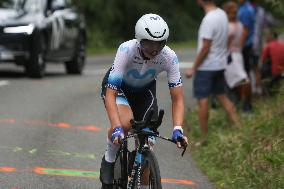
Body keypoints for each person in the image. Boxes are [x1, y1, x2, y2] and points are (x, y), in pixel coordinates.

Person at [99, 13, 188, 189]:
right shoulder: (126, 49)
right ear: (139, 40)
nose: (155, 50)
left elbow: (177, 98)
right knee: (124, 123)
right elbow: (111, 94)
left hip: (144, 93)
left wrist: (178, 128)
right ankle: (109, 159)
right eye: (149, 43)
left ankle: (142, 183)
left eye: (160, 44)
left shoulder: (169, 57)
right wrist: (116, 127)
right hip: (119, 90)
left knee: (147, 142)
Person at [186, 0, 240, 146]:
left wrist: (193, 68)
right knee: (222, 96)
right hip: (220, 64)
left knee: (203, 101)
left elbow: (205, 47)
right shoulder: (222, 13)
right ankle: (239, 128)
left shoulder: (208, 20)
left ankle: (204, 138)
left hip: (207, 67)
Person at [223, 1, 249, 102]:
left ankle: (243, 102)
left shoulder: (228, 26)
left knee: (241, 79)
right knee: (238, 79)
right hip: (238, 53)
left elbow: (226, 43)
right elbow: (242, 40)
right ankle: (242, 101)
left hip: (230, 55)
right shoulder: (240, 25)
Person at [237, 0, 256, 112]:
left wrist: (239, 47)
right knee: (245, 75)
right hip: (247, 45)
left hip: (245, 46)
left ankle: (246, 104)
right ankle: (246, 102)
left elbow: (245, 31)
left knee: (243, 76)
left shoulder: (244, 10)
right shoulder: (247, 7)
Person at [260, 29, 284, 94]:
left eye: (267, 37)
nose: (266, 39)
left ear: (271, 37)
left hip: (275, 73)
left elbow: (261, 61)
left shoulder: (268, 46)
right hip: (282, 72)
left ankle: (265, 92)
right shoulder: (282, 45)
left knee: (261, 69)